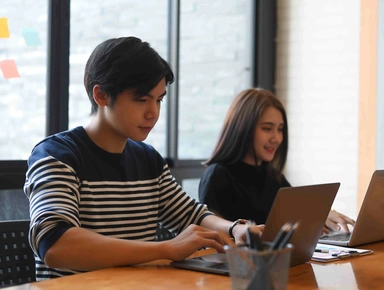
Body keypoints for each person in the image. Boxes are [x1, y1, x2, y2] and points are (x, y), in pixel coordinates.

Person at [23, 37, 263, 281]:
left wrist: (236, 228)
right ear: (101, 95)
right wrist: (166, 248)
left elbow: (191, 214)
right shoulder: (57, 154)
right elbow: (55, 244)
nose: (153, 113)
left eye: (159, 100)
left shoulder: (148, 160)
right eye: (141, 99)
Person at [198, 88, 355, 233]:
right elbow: (214, 238)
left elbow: (299, 215)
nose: (277, 138)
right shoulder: (218, 175)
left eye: (280, 129)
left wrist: (321, 215)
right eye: (267, 128)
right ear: (242, 128)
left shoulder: (273, 176)